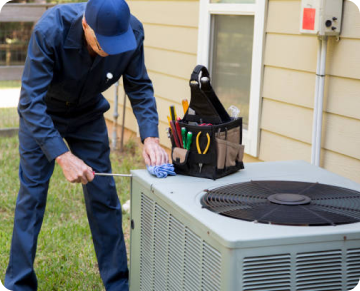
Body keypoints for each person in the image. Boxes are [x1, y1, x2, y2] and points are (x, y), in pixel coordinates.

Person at [4, 0, 168, 290]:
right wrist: (62, 155)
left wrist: (150, 137)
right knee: (32, 198)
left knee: (104, 197)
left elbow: (139, 86)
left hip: (88, 113)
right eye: (102, 42)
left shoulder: (133, 33)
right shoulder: (50, 30)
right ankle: (18, 284)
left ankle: (117, 284)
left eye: (116, 42)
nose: (109, 50)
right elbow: (30, 102)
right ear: (85, 25)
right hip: (43, 112)